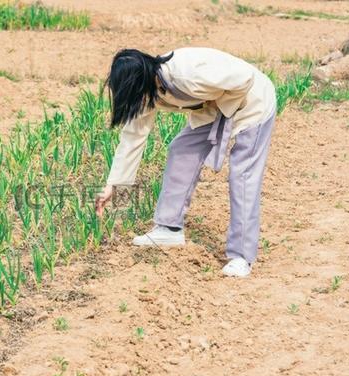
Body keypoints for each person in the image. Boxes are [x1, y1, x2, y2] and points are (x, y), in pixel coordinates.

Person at [95, 47, 277, 278]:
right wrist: (114, 187)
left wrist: (224, 114)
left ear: (143, 81)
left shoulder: (186, 74)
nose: (137, 102)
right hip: (215, 107)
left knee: (242, 175)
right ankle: (169, 228)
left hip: (252, 103)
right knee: (181, 150)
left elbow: (244, 79)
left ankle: (241, 256)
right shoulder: (147, 91)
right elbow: (132, 140)